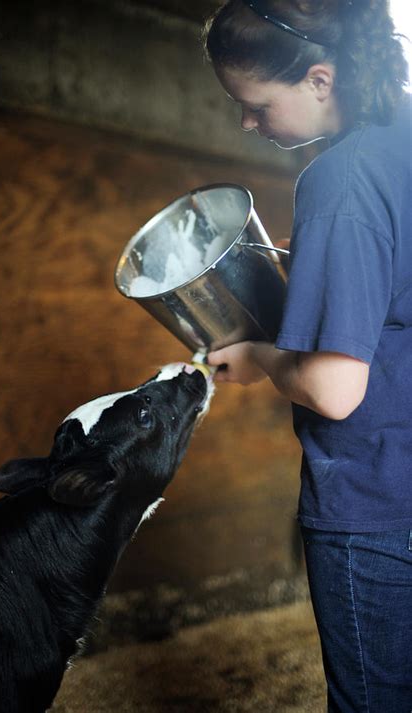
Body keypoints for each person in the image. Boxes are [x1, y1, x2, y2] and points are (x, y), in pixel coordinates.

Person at [203, 1, 411, 711]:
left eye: (255, 104)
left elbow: (334, 389)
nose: (249, 124)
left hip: (378, 500)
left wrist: (259, 353)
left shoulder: (340, 179)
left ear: (320, 80)